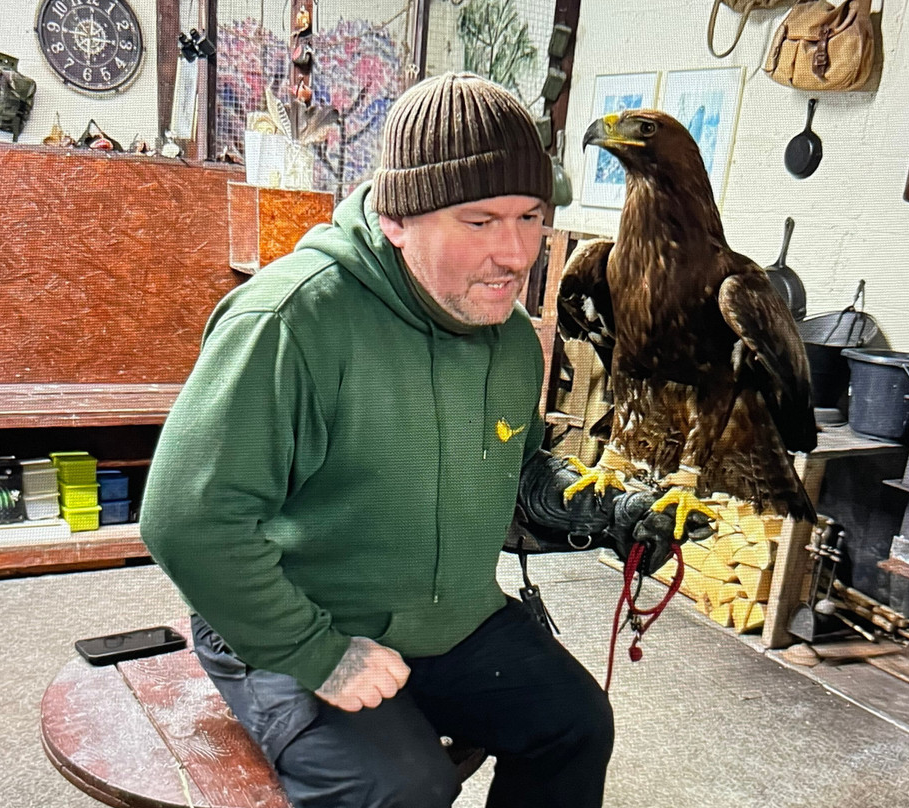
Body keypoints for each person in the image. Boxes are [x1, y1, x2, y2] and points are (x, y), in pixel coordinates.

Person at [141, 72, 704, 808]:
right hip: (289, 616)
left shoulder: (510, 340)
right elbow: (185, 521)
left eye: (531, 217)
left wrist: (598, 509)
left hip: (447, 615)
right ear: (397, 218)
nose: (517, 253)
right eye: (480, 221)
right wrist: (315, 653)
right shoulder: (289, 323)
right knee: (403, 788)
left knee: (576, 724)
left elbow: (512, 472)